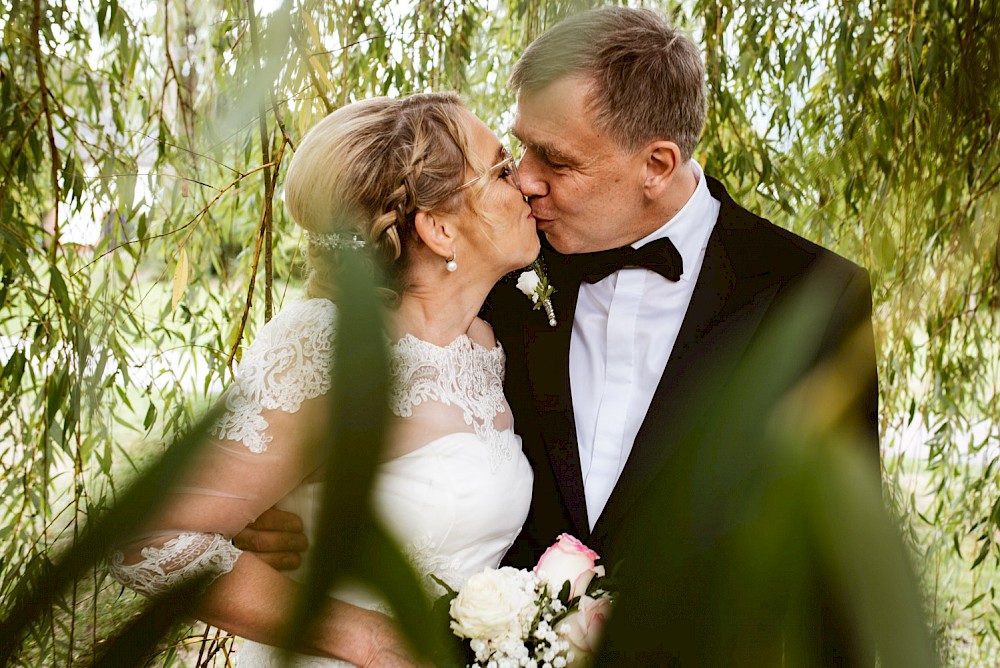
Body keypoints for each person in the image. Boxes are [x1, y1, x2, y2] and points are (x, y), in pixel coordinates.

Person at [241, 7, 880, 664]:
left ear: (657, 164)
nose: (523, 178)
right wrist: (268, 514)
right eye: (520, 146)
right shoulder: (490, 263)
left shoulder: (816, 299)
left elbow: (837, 571)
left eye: (555, 159)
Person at [109, 92, 538, 667]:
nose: (528, 183)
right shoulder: (333, 349)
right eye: (503, 168)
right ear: (438, 228)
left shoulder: (482, 346)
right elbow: (146, 538)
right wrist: (370, 638)